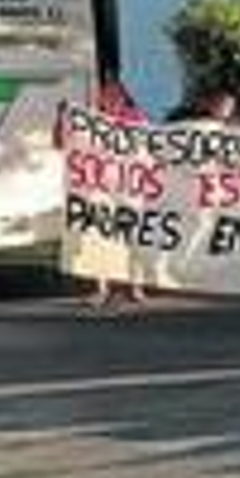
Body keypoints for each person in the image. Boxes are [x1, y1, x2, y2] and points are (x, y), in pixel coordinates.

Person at [87, 79, 149, 309]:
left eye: (114, 97)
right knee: (100, 237)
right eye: (105, 97)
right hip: (101, 188)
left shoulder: (134, 117)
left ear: (122, 98)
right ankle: (102, 289)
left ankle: (136, 286)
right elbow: (64, 142)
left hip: (129, 187)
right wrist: (62, 119)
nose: (109, 101)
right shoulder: (92, 120)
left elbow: (149, 145)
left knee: (133, 238)